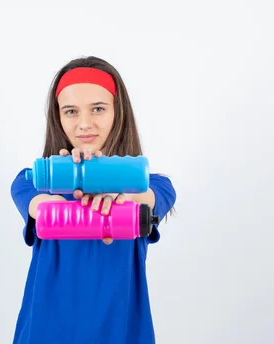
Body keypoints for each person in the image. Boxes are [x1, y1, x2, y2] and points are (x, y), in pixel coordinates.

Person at [10, 56, 177, 344]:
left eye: (98, 109)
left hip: (121, 334)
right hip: (45, 333)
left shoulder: (147, 187)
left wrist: (122, 192)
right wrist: (65, 183)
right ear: (58, 118)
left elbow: (157, 195)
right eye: (71, 111)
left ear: (117, 112)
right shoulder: (34, 182)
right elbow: (35, 200)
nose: (84, 124)